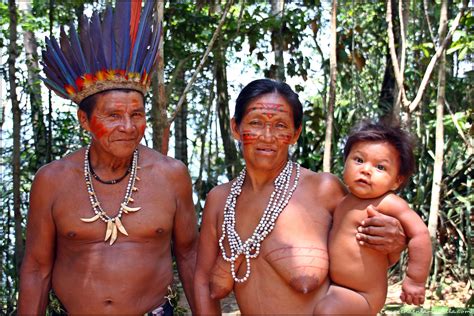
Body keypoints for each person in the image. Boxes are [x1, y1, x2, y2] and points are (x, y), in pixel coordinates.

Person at [18, 1, 198, 314]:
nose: (128, 127)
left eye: (136, 114)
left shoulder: (171, 175)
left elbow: (190, 256)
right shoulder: (52, 180)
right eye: (113, 115)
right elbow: (37, 268)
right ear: (85, 121)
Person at [194, 79, 407, 315]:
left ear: (296, 134)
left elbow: (367, 256)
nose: (267, 136)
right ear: (236, 128)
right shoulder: (220, 200)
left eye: (280, 125)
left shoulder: (324, 189)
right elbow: (203, 280)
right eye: (256, 123)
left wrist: (395, 243)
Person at [314, 121, 432, 315]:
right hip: (335, 287)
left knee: (326, 311)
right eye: (359, 160)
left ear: (397, 180)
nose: (366, 170)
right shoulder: (343, 201)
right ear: (345, 162)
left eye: (380, 167)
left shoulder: (388, 203)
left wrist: (415, 280)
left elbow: (420, 235)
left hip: (363, 294)